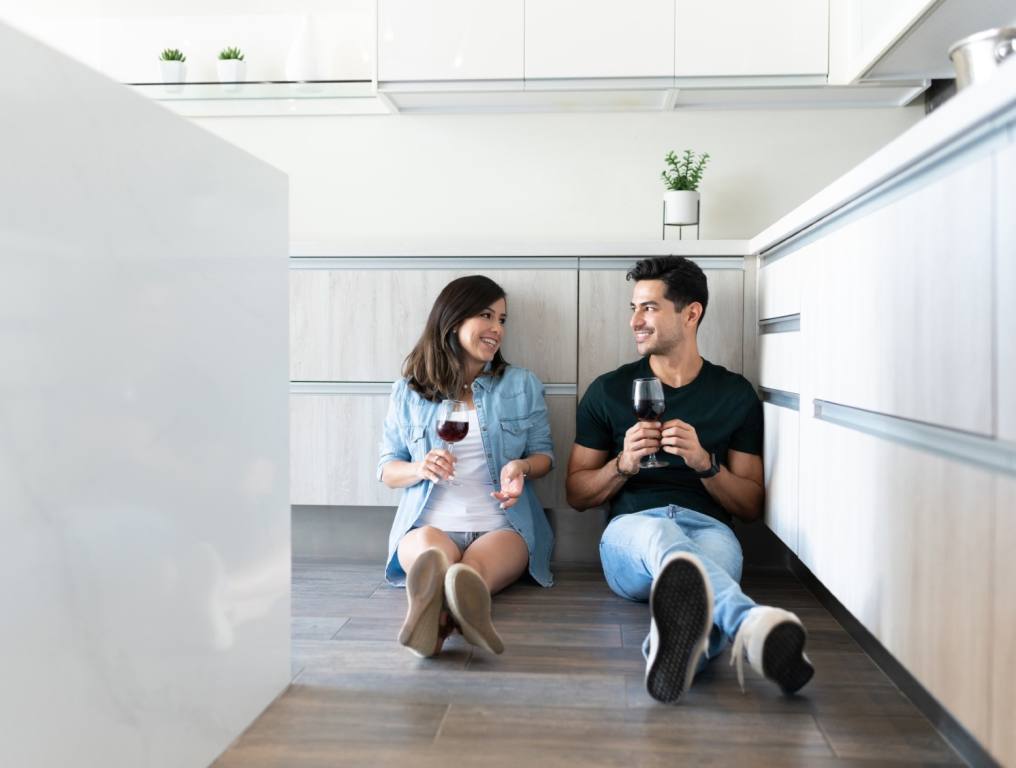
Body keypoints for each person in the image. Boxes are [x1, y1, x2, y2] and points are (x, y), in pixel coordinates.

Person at [565, 256, 814, 703]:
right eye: (633, 308)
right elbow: (577, 493)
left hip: (710, 530)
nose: (635, 321)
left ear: (691, 313)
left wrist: (706, 465)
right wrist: (622, 465)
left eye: (648, 308)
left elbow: (751, 505)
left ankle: (668, 649)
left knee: (703, 579)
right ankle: (751, 624)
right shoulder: (608, 390)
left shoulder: (734, 393)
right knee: (668, 538)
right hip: (632, 537)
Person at [377, 275, 555, 658]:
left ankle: (436, 615)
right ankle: (452, 613)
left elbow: (545, 456)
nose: (497, 329)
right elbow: (388, 469)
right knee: (431, 559)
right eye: (486, 316)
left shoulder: (521, 384)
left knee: (467, 575)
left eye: (503, 320)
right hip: (429, 525)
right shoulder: (408, 390)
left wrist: (520, 467)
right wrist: (419, 468)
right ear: (453, 320)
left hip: (503, 527)